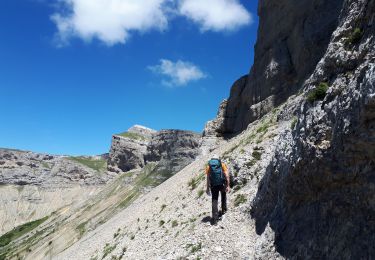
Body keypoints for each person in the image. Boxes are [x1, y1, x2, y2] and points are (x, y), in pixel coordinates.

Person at [205, 154, 230, 225]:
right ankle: (224, 210)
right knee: (223, 196)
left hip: (213, 185)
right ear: (218, 159)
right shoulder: (222, 164)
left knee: (214, 200)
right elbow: (227, 175)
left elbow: (208, 178)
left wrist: (207, 188)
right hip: (222, 184)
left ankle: (215, 219)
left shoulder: (209, 166)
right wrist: (228, 185)